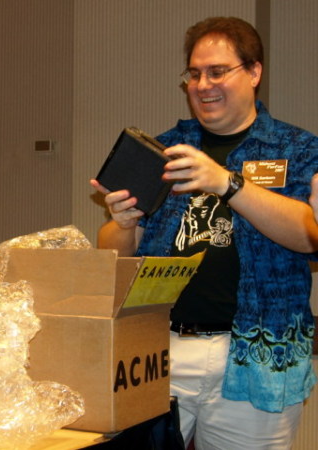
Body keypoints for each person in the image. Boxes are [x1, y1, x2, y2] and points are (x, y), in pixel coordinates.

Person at [91, 17, 318, 449]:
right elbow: (115, 259)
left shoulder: (298, 150)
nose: (202, 84)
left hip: (255, 354)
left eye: (217, 71)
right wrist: (120, 225)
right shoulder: (165, 149)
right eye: (194, 73)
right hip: (160, 349)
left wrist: (226, 183)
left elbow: (311, 237)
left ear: (254, 72)